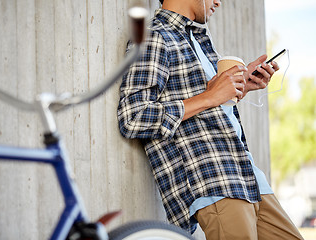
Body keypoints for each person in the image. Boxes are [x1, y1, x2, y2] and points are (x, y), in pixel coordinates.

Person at [117, 0, 304, 239]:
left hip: (247, 174)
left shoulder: (200, 40)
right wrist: (210, 96)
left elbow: (210, 105)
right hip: (214, 180)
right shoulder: (154, 36)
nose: (218, 1)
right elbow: (133, 116)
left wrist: (241, 87)